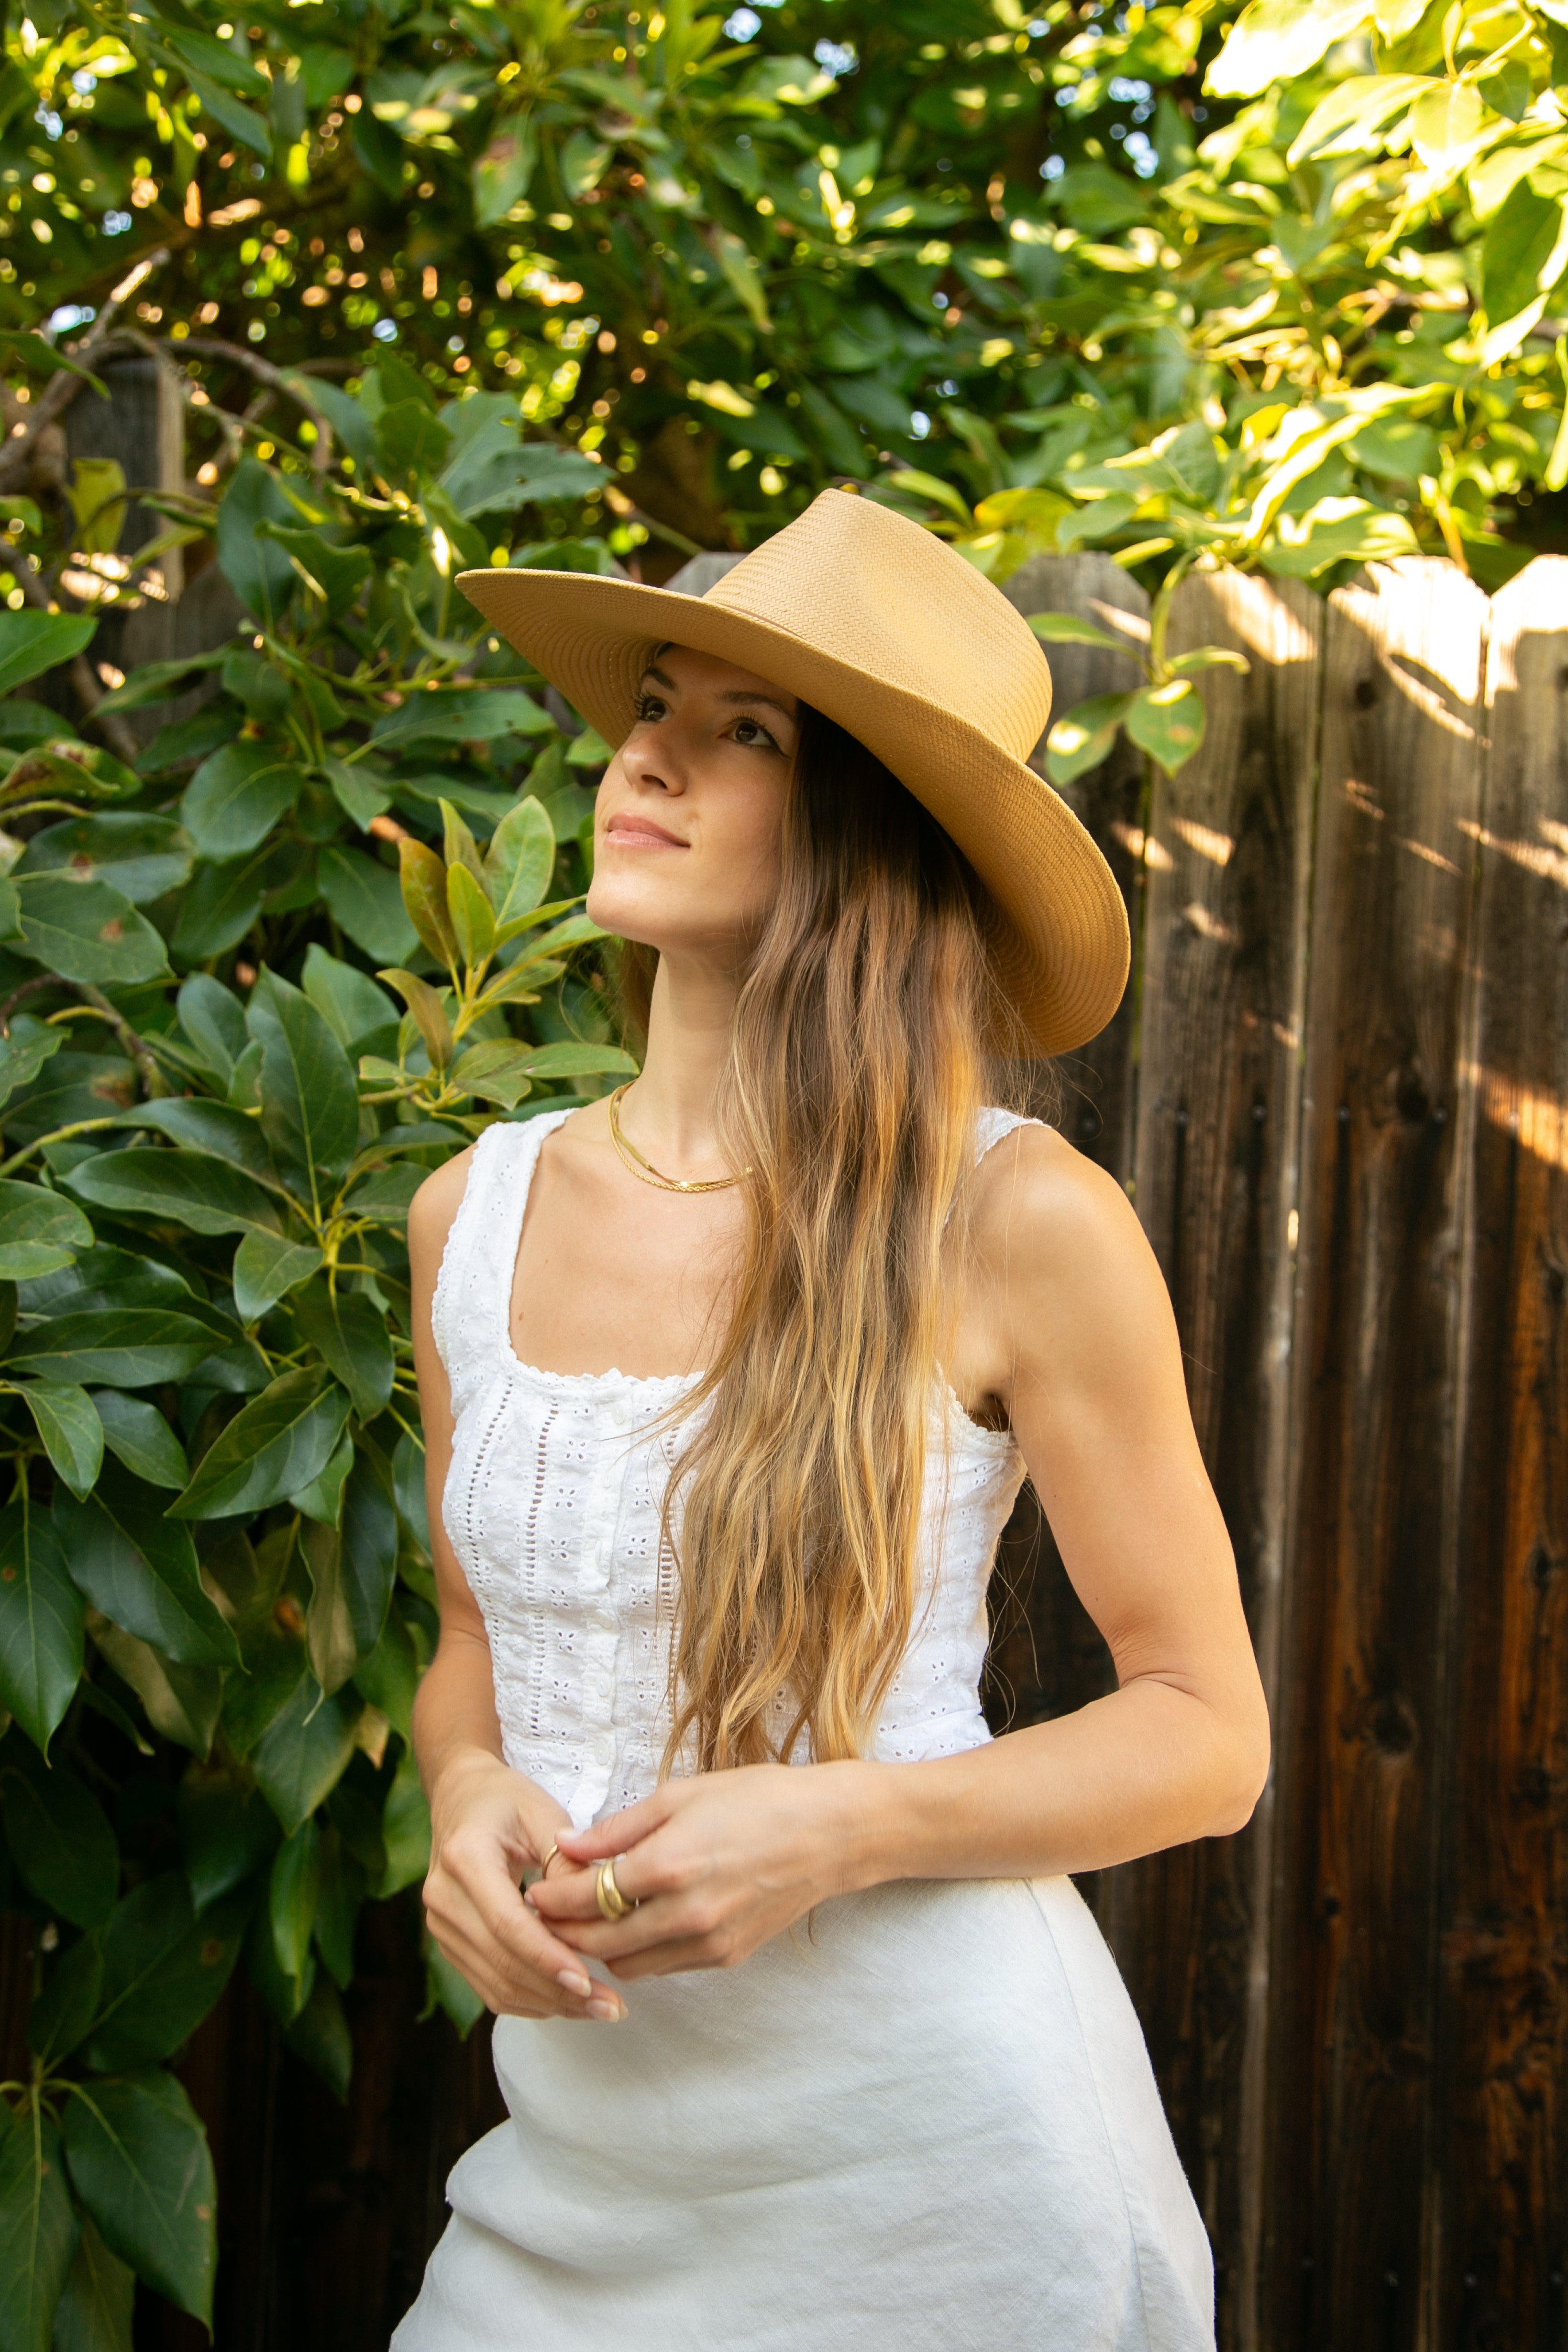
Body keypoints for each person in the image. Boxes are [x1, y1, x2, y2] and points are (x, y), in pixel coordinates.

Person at [391, 489, 1269, 2351]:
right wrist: (465, 1790)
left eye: (745, 730)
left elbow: (1210, 1736)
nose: (648, 755)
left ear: (866, 833)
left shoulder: (1016, 1219)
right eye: (653, 703)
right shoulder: (470, 1219)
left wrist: (836, 1831)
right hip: (573, 2189)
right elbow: (475, 1646)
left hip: (945, 2187)